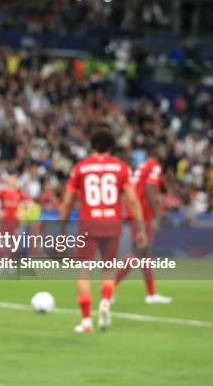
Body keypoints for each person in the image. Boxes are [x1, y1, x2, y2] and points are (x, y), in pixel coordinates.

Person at [59, 127, 147, 333]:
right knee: (108, 268)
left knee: (84, 272)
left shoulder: (81, 168)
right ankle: (106, 301)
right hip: (112, 223)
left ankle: (86, 321)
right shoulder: (121, 167)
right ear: (112, 147)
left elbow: (67, 201)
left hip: (88, 224)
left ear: (92, 145)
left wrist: (62, 227)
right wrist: (141, 228)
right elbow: (133, 199)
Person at [115, 145, 172, 304]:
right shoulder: (154, 166)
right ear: (156, 151)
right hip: (143, 214)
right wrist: (156, 215)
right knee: (138, 252)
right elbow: (149, 189)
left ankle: (151, 294)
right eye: (161, 148)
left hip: (137, 211)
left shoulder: (142, 166)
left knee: (145, 254)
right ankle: (110, 287)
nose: (164, 151)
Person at [0, 174, 31, 259]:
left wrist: (23, 213)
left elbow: (30, 203)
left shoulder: (19, 192)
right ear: (8, 180)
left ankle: (11, 264)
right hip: (4, 221)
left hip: (15, 221)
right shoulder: (3, 191)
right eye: (11, 179)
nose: (12, 181)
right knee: (1, 242)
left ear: (16, 180)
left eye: (14, 179)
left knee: (13, 243)